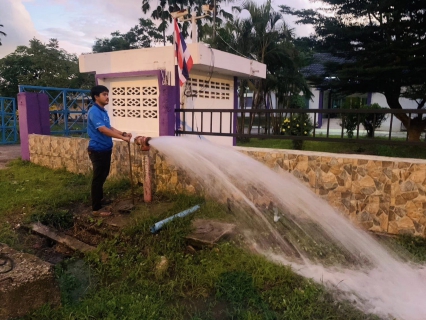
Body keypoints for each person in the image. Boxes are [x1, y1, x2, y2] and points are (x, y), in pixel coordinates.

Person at [87, 85, 132, 216]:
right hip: (97, 150)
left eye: (107, 94)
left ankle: (100, 200)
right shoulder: (94, 112)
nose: (107, 97)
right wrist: (122, 138)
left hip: (105, 149)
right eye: (104, 94)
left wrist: (123, 133)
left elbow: (109, 127)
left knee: (103, 176)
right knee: (98, 178)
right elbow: (103, 130)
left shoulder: (103, 111)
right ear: (96, 97)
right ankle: (96, 209)